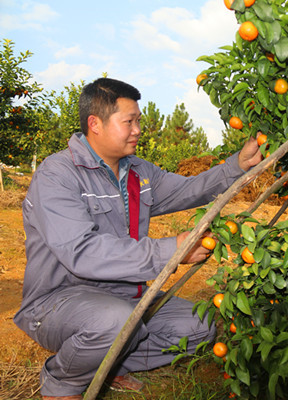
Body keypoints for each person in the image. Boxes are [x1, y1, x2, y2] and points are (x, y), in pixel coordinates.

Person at [14, 77, 262, 400]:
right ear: (95, 124)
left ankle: (113, 362)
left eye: (138, 121)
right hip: (59, 302)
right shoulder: (57, 175)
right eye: (129, 122)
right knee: (115, 322)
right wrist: (172, 250)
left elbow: (187, 189)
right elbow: (83, 252)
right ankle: (63, 382)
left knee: (199, 327)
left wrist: (237, 166)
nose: (138, 130)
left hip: (122, 297)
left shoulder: (137, 172)